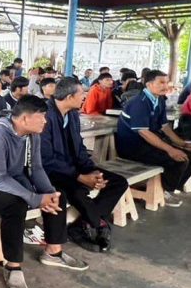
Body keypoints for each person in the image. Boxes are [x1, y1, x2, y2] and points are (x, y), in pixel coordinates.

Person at [0, 95, 84, 288]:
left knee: (57, 195)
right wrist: (34, 199)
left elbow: (36, 168)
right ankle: (12, 265)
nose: (45, 121)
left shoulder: (32, 135)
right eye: (41, 116)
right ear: (25, 119)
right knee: (15, 205)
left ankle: (53, 251)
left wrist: (48, 193)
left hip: (11, 178)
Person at [40, 78, 129, 253]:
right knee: (75, 191)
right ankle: (97, 222)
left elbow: (79, 147)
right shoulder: (44, 116)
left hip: (73, 167)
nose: (85, 97)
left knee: (118, 182)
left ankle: (80, 224)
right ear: (69, 97)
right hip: (51, 171)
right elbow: (46, 159)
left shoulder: (72, 114)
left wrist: (92, 171)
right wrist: (80, 177)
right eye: (82, 94)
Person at [115, 70, 191, 206]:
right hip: (133, 148)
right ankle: (165, 191)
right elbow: (144, 132)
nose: (165, 86)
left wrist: (182, 144)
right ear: (148, 84)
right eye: (161, 82)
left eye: (167, 82)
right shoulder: (139, 103)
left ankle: (170, 187)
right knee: (179, 161)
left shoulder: (159, 99)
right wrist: (170, 149)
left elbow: (164, 126)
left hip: (150, 144)